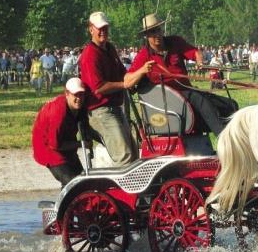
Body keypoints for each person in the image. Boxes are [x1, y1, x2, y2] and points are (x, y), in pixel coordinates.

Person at [127, 13, 238, 136]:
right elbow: (127, 81)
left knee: (231, 105)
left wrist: (200, 61)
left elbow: (195, 52)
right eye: (152, 32)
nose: (157, 34)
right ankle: (224, 138)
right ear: (146, 36)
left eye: (158, 30)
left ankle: (233, 137)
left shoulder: (175, 41)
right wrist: (142, 70)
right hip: (169, 99)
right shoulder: (143, 55)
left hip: (187, 91)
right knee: (200, 99)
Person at [79, 11, 135, 166]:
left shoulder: (109, 48)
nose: (103, 31)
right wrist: (125, 85)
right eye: (99, 28)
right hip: (100, 111)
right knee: (125, 156)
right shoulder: (90, 54)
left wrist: (138, 75)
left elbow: (123, 74)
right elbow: (99, 87)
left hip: (115, 108)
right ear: (91, 29)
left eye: (105, 27)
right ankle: (125, 190)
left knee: (134, 153)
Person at [32, 78, 87, 187]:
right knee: (73, 183)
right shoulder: (58, 113)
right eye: (75, 95)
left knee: (82, 180)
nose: (79, 98)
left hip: (66, 145)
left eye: (81, 95)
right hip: (48, 149)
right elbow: (55, 144)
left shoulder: (80, 107)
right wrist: (81, 143)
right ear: (67, 94)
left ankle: (71, 203)